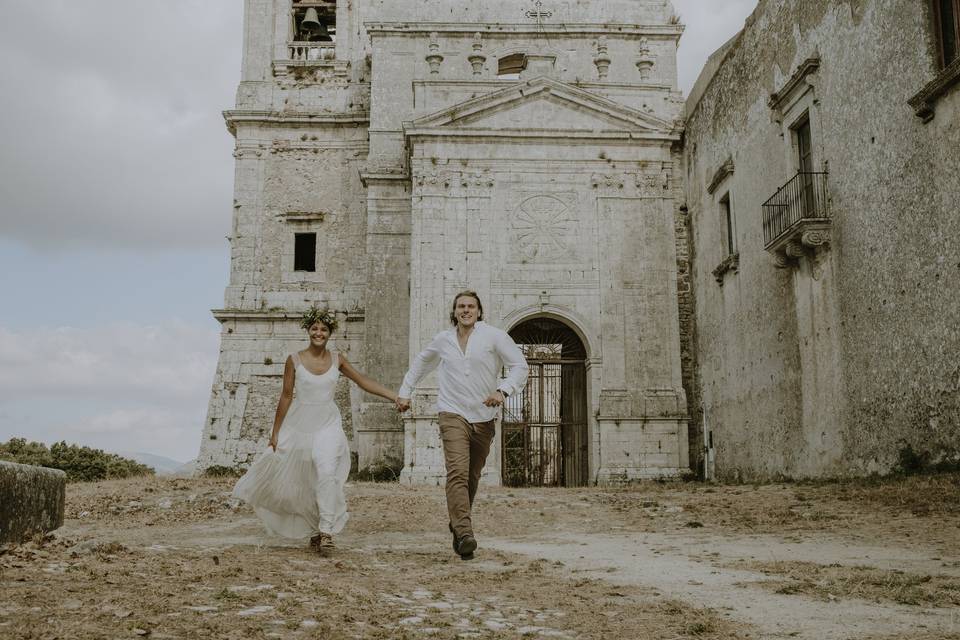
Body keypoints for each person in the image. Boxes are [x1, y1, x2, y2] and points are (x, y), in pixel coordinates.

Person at [233, 305, 398, 555]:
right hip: (300, 424)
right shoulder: (294, 360)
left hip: (328, 424)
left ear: (330, 333)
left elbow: (362, 380)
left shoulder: (337, 359)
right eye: (314, 328)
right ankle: (313, 529)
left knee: (327, 472)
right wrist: (275, 433)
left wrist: (393, 396)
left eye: (323, 329)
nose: (319, 333)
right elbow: (286, 396)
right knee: (305, 480)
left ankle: (326, 531)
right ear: (308, 331)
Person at [396, 290, 528, 560]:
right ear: (454, 312)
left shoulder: (494, 336)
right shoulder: (443, 340)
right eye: (460, 306)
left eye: (471, 306)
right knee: (456, 471)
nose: (466, 310)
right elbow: (421, 364)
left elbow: (520, 366)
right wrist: (405, 391)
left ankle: (457, 521)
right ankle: (466, 533)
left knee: (471, 476)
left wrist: (503, 391)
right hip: (452, 413)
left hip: (484, 417)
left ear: (479, 311)